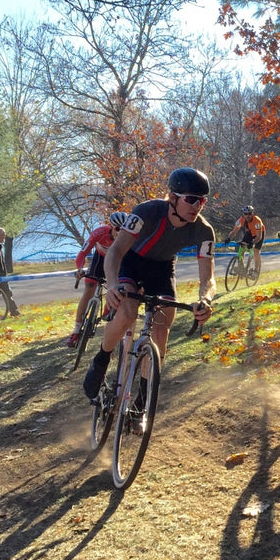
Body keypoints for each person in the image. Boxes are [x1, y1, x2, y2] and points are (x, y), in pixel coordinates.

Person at [82, 168, 216, 402]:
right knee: (127, 313)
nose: (197, 206)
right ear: (172, 198)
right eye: (191, 199)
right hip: (131, 262)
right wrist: (112, 285)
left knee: (162, 327)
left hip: (162, 268)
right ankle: (102, 358)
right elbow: (115, 252)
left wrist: (205, 299)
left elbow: (208, 279)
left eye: (202, 201)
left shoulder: (204, 231)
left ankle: (144, 396)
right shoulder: (147, 211)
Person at [66, 211, 129, 347]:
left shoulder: (128, 237)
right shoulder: (99, 233)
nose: (120, 232)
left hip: (118, 262)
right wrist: (80, 268)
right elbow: (82, 253)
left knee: (117, 288)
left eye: (123, 229)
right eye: (118, 229)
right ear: (111, 227)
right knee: (89, 289)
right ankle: (76, 330)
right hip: (100, 259)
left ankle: (108, 309)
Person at [226, 205, 265, 273]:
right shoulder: (241, 220)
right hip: (250, 232)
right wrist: (229, 238)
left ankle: (256, 270)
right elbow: (234, 231)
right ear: (243, 214)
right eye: (245, 214)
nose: (247, 216)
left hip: (259, 233)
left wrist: (252, 243)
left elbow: (259, 237)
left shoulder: (257, 220)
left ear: (252, 213)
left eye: (249, 214)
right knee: (242, 246)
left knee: (256, 251)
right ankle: (241, 268)